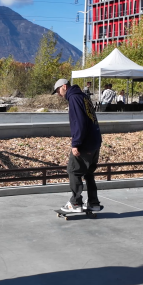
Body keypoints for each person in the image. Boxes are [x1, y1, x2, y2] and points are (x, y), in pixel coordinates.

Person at [52, 78, 103, 213]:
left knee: (73, 170)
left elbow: (78, 123)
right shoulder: (84, 96)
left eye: (58, 91)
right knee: (88, 172)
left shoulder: (74, 98)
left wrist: (76, 143)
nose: (58, 94)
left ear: (64, 86)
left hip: (85, 143)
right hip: (95, 141)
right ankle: (93, 202)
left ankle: (75, 202)